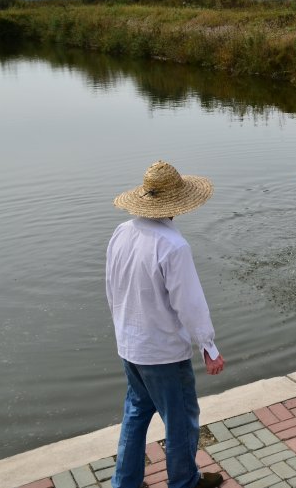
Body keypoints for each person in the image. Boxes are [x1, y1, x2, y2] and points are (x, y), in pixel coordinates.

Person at [106, 160, 225, 488]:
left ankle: (125, 483)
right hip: (163, 352)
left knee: (136, 411)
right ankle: (185, 481)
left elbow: (111, 287)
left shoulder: (121, 233)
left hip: (130, 346)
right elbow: (189, 304)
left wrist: (122, 330)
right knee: (181, 420)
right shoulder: (173, 246)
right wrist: (208, 346)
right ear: (178, 204)